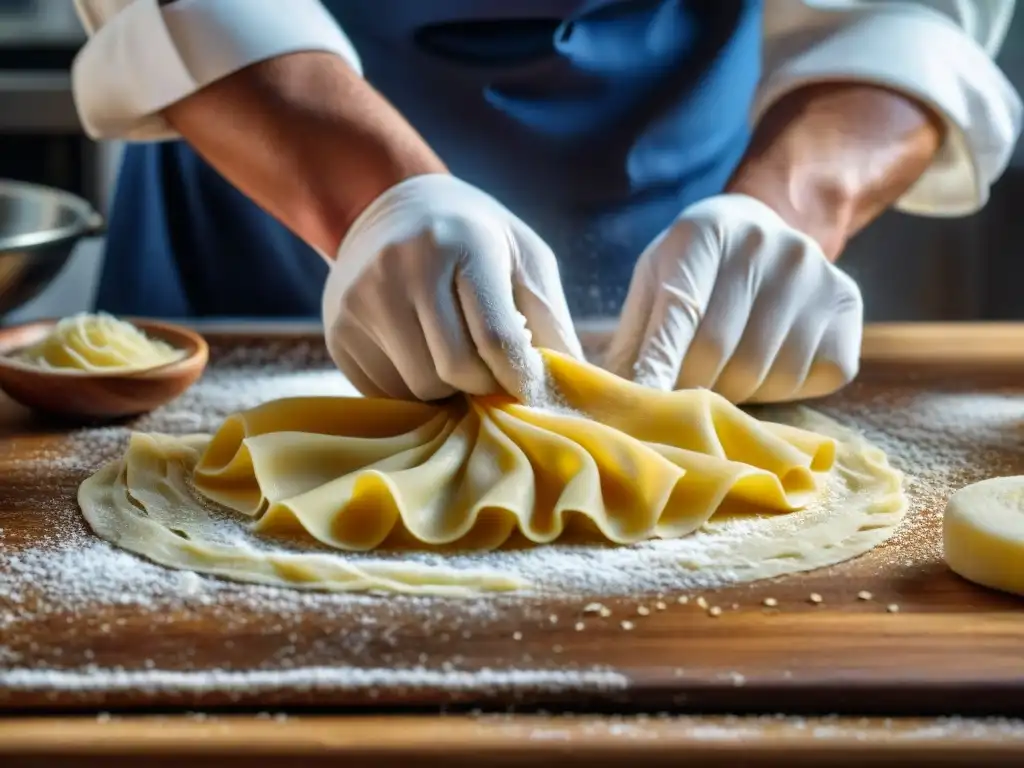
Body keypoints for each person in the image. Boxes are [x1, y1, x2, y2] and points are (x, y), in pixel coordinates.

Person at [71, 0, 1020, 404]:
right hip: (254, 193)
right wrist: (377, 198)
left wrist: (789, 209)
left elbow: (911, 13)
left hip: (689, 193)